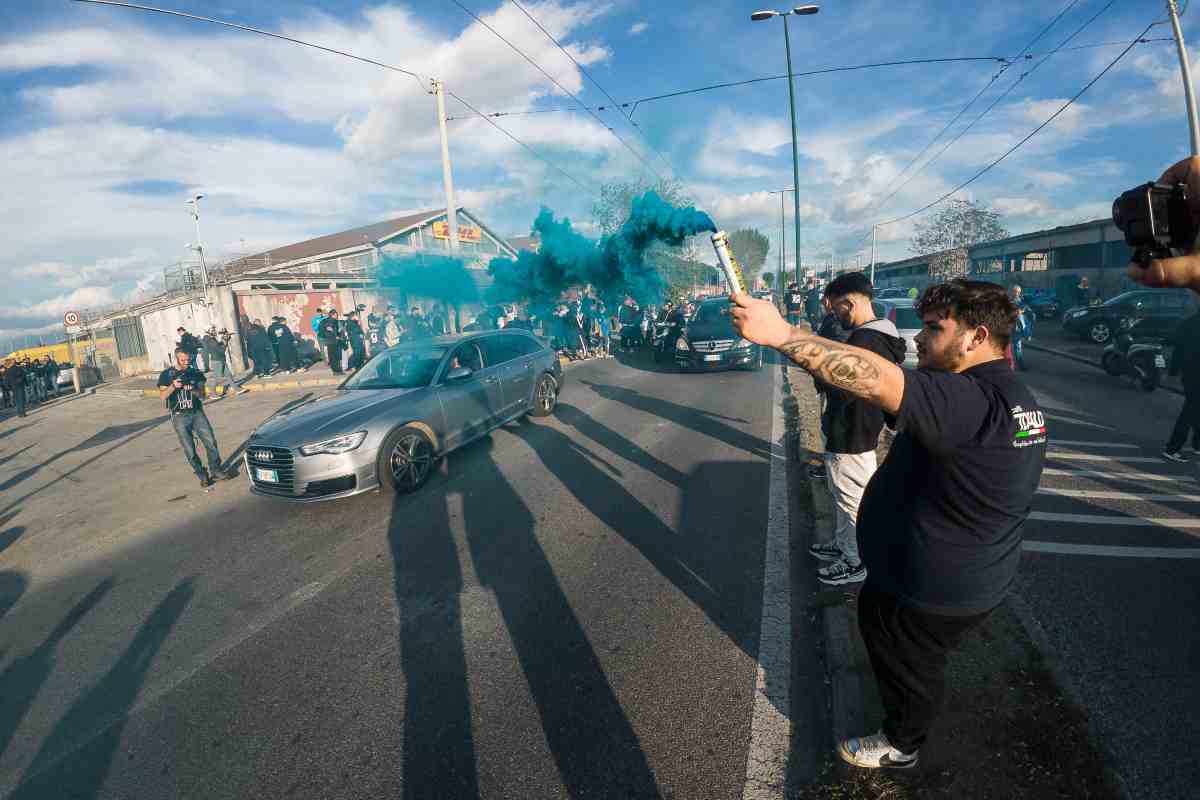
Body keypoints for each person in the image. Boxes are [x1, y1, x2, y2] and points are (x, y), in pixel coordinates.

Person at [731, 279, 1046, 771]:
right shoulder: (1011, 394)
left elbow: (875, 378)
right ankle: (908, 712)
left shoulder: (966, 399)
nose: (919, 338)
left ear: (976, 336)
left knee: (909, 664)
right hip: (965, 574)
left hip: (930, 587)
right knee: (917, 653)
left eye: (935, 328)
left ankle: (902, 742)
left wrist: (780, 335)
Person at [808, 273, 907, 586]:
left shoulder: (865, 341)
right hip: (859, 428)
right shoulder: (882, 334)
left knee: (852, 499)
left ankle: (855, 561)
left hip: (851, 432)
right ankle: (842, 545)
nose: (835, 314)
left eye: (837, 308)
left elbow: (843, 389)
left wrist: (821, 370)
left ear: (850, 303)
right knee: (842, 495)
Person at [158, 348, 227, 489]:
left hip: (197, 413)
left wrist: (193, 390)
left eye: (188, 359)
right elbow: (162, 396)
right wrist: (173, 386)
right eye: (183, 360)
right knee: (189, 449)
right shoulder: (167, 374)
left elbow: (202, 395)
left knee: (211, 443)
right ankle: (202, 475)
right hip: (179, 416)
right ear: (176, 359)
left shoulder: (196, 373)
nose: (186, 362)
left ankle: (216, 470)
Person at [1163, 307, 1200, 462]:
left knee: (1194, 407)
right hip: (1195, 373)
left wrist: (1173, 372)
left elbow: (1177, 348)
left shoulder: (1187, 322)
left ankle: (1197, 444)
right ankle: (1173, 448)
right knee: (1190, 409)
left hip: (1188, 372)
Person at [202, 328, 246, 399]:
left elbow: (218, 346)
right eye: (212, 330)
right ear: (208, 332)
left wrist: (224, 340)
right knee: (217, 378)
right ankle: (212, 393)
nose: (214, 331)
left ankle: (237, 389)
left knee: (228, 375)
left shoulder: (212, 339)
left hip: (220, 360)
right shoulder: (211, 341)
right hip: (217, 361)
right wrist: (225, 341)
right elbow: (221, 350)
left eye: (214, 330)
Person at [1008, 285, 1033, 371]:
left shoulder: (1020, 300)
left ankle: (1019, 365)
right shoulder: (1009, 301)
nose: (1017, 293)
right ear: (1012, 291)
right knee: (1012, 346)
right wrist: (1015, 312)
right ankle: (1014, 365)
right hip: (1011, 326)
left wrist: (1022, 311)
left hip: (1017, 327)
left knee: (1017, 346)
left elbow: (1026, 309)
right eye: (1015, 291)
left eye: (1018, 292)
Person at [317, 309, 345, 374]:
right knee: (333, 357)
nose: (337, 316)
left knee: (334, 357)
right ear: (333, 315)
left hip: (332, 341)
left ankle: (337, 370)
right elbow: (326, 332)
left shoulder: (330, 321)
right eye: (336, 315)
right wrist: (334, 336)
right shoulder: (329, 321)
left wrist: (337, 334)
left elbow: (334, 330)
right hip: (331, 341)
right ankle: (336, 371)